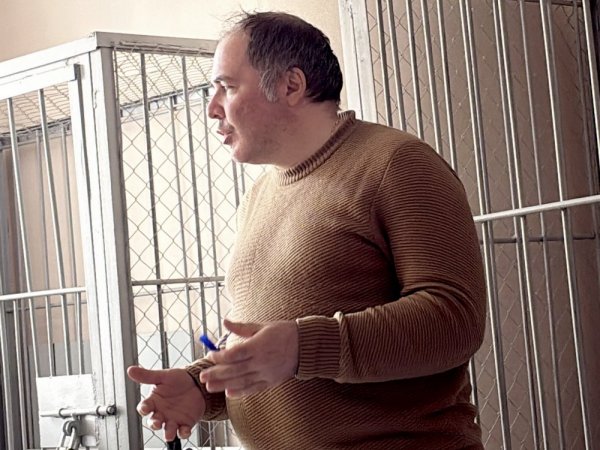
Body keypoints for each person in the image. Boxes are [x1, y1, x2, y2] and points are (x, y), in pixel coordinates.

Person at [127, 11, 486, 450]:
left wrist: (302, 347)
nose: (211, 108)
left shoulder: (396, 164)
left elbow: (454, 320)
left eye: (228, 86)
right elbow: (267, 341)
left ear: (291, 86)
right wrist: (203, 386)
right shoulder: (259, 194)